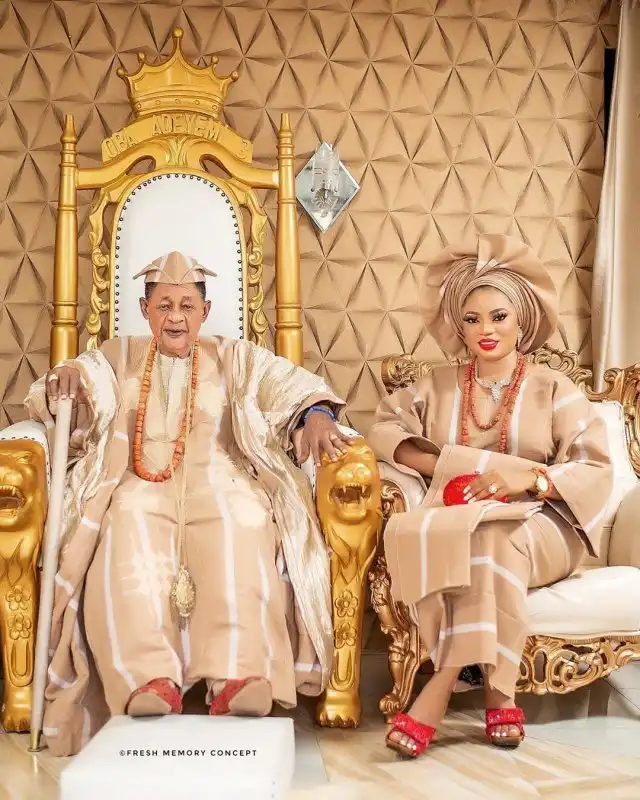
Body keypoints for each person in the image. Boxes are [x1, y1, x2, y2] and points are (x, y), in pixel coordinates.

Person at [25, 251, 353, 757]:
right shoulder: (119, 354)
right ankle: (146, 677)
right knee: (124, 525)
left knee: (244, 521)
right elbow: (80, 382)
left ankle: (238, 674)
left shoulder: (234, 356)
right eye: (163, 305)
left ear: (205, 311)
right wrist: (65, 380)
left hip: (222, 477)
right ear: (145, 309)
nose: (175, 317)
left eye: (186, 306)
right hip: (138, 480)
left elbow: (286, 385)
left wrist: (315, 415)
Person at [369, 234, 612, 758]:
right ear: (457, 325)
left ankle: (441, 687)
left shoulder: (554, 388)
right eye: (472, 319)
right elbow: (384, 431)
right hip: (459, 521)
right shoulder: (434, 385)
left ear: (521, 321)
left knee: (494, 542)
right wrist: (445, 466)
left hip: (544, 525)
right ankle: (500, 695)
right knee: (480, 543)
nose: (486, 330)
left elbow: (594, 467)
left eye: (499, 317)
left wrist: (530, 480)